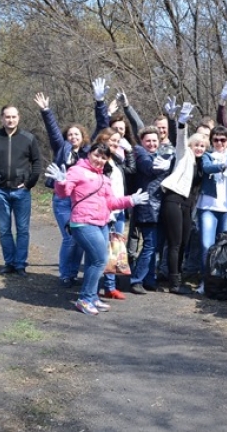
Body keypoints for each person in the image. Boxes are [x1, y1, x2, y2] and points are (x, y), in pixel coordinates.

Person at [46, 143, 149, 315]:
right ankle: (85, 299)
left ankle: (92, 296)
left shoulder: (104, 178)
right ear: (89, 154)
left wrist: (131, 200)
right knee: (101, 259)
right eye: (96, 155)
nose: (99, 160)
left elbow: (111, 203)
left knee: (95, 261)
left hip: (101, 223)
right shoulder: (77, 171)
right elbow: (64, 193)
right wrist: (61, 182)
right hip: (83, 223)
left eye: (103, 157)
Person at [34, 79, 110, 287]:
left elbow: (103, 126)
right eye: (70, 134)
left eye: (76, 134)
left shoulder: (88, 151)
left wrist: (99, 101)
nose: (73, 136)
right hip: (62, 200)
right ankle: (66, 274)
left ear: (83, 136)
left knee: (78, 240)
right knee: (69, 238)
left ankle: (73, 273)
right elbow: (52, 130)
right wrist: (46, 110)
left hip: (80, 202)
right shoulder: (61, 148)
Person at [0, 105, 42, 277]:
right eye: (7, 117)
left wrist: (29, 184)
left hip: (22, 191)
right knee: (4, 229)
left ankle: (20, 264)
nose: (10, 120)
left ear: (18, 118)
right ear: (1, 118)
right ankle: (9, 263)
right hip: (0, 191)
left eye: (13, 117)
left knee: (22, 229)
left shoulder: (28, 138)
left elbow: (37, 163)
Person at [159, 103, 205, 295]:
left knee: (184, 243)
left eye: (203, 145)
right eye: (197, 145)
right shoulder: (184, 154)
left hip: (187, 205)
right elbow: (180, 139)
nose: (199, 148)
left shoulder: (201, 163)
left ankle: (178, 277)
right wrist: (182, 122)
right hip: (173, 199)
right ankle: (174, 282)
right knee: (175, 243)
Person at [197, 126, 227, 291]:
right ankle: (206, 281)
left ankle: (220, 282)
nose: (219, 143)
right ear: (211, 141)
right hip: (208, 207)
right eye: (216, 140)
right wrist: (224, 165)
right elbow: (206, 168)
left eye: (223, 140)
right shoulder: (207, 156)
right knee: (206, 245)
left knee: (224, 246)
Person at [93, 127, 137, 300]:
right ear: (103, 139)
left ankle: (110, 286)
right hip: (106, 212)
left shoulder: (117, 159)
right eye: (112, 140)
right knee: (100, 252)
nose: (115, 144)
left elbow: (131, 170)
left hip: (119, 209)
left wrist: (129, 151)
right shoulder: (100, 161)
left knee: (114, 249)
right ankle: (94, 288)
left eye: (118, 141)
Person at [128, 125, 172, 294]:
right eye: (148, 141)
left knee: (156, 246)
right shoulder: (140, 153)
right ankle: (136, 279)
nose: (152, 143)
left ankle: (149, 279)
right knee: (150, 245)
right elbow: (148, 167)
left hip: (162, 207)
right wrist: (163, 166)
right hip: (147, 207)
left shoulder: (162, 155)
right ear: (142, 141)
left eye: (154, 140)